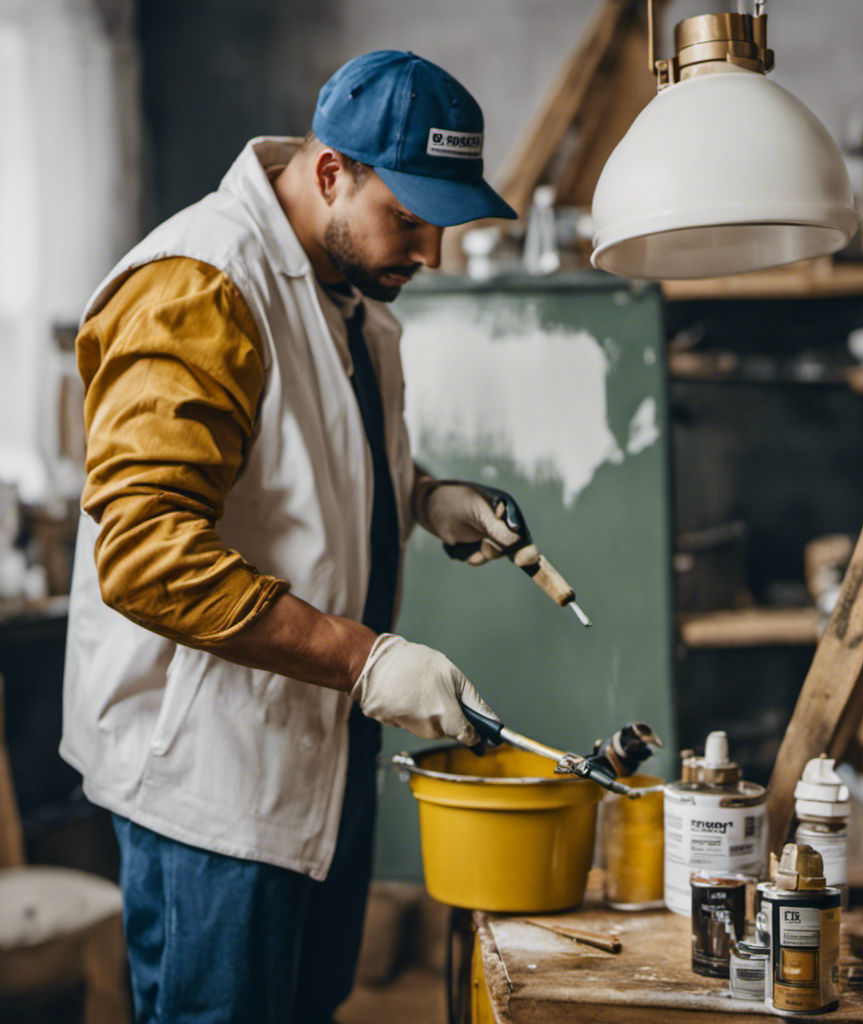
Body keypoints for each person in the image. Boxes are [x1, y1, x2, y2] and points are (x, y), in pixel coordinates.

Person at [60, 50, 523, 1023]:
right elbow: (146, 556)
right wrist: (365, 660)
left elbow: (296, 477)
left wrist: (424, 497)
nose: (428, 254)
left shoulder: (347, 295)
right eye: (409, 219)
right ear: (329, 174)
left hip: (318, 752)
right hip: (212, 782)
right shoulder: (201, 283)